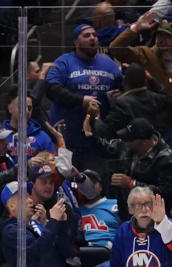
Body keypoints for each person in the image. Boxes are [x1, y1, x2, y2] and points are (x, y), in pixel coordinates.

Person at [110, 15, 172, 154]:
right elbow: (116, 48)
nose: (162, 39)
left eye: (167, 36)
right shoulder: (144, 54)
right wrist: (136, 28)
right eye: (159, 35)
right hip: (146, 124)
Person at [45, 23, 123, 174]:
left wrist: (119, 95)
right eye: (87, 35)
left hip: (96, 141)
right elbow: (52, 89)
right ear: (76, 42)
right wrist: (81, 100)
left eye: (94, 35)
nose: (92, 38)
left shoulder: (108, 63)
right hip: (68, 138)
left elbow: (123, 87)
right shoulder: (64, 62)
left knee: (93, 185)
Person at [105, 118, 172, 219]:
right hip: (127, 212)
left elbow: (165, 193)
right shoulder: (129, 148)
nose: (125, 142)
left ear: (143, 142)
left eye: (129, 139)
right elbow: (106, 149)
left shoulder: (168, 160)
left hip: (151, 216)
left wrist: (132, 183)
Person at [2, 93, 56, 164]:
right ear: (10, 108)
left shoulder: (42, 137)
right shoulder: (2, 135)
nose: (27, 111)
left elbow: (54, 165)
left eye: (29, 108)